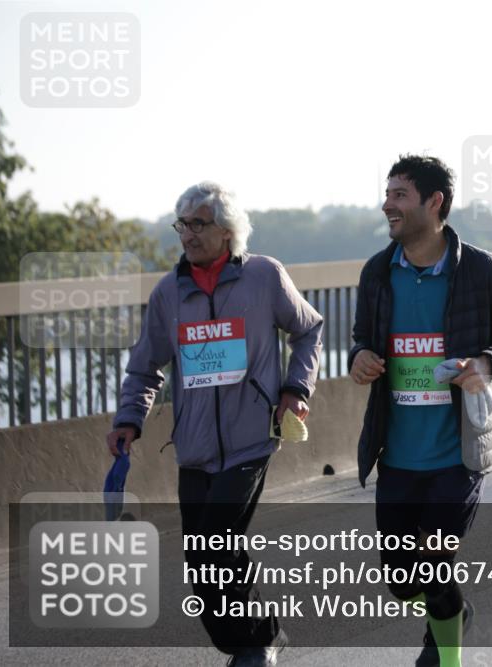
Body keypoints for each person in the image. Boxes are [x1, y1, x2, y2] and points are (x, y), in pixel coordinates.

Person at [107, 181, 324, 667]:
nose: (187, 234)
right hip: (195, 447)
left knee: (216, 547)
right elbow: (146, 366)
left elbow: (308, 330)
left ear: (227, 231)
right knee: (204, 561)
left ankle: (254, 644)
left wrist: (295, 389)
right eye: (182, 224)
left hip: (251, 441)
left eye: (198, 224)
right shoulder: (169, 293)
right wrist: (129, 419)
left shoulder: (264, 277)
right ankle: (257, 635)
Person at [349, 155, 492, 666]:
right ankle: (453, 612)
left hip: (458, 451)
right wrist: (360, 357)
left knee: (432, 560)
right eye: (388, 194)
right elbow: (362, 340)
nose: (389, 204)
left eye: (400, 195)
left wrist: (487, 362)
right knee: (403, 580)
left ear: (435, 202)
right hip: (398, 454)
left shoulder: (480, 269)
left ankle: (444, 656)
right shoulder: (377, 273)